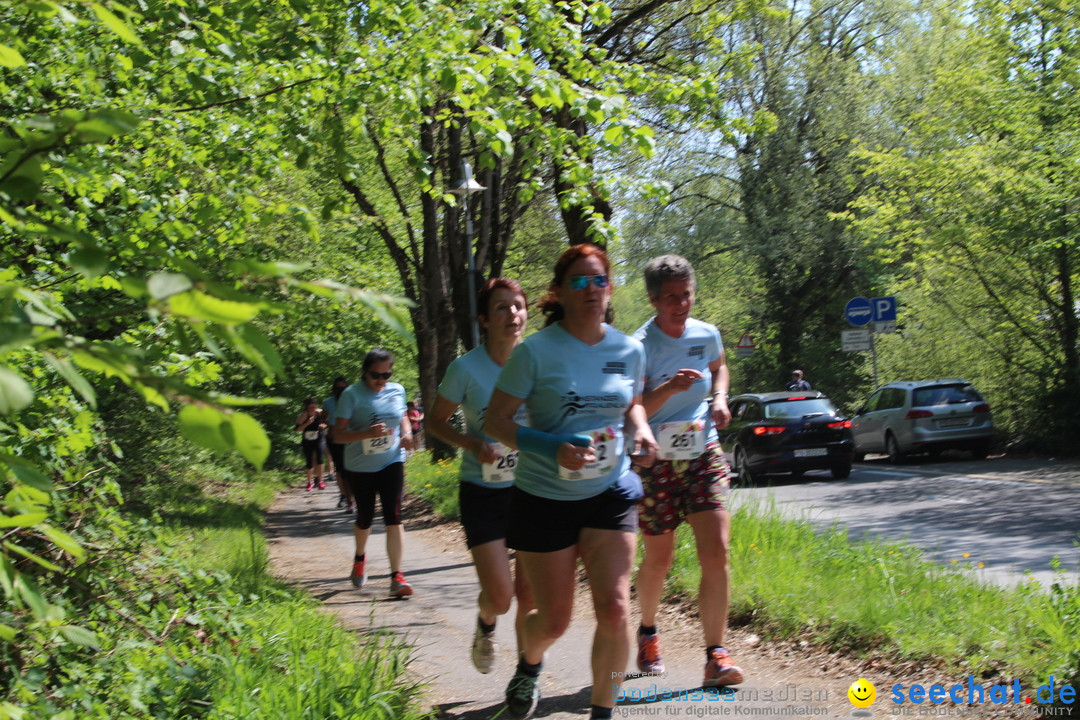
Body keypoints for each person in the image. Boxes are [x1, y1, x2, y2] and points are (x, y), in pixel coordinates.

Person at [484, 244, 658, 720]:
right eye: (578, 282)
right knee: (554, 620)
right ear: (558, 293)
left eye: (598, 280)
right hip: (545, 497)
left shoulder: (629, 349)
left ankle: (604, 711)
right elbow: (496, 421)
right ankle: (530, 662)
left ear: (610, 287)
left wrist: (641, 429)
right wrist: (550, 447)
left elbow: (633, 402)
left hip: (610, 490)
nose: (590, 290)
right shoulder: (536, 353)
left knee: (616, 609)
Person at [631, 254, 744, 689]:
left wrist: (719, 397)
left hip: (703, 450)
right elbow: (633, 408)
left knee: (716, 550)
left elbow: (719, 368)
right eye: (672, 297)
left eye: (688, 294)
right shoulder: (638, 345)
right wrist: (670, 388)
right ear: (654, 299)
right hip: (656, 458)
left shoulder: (707, 333)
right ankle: (648, 631)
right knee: (659, 558)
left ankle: (716, 654)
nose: (682, 304)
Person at [427, 277, 535, 675]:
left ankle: (527, 677)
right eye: (501, 307)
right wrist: (472, 444)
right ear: (485, 320)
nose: (512, 314)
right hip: (483, 490)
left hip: (533, 489)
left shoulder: (539, 361)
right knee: (502, 597)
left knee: (530, 595)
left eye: (518, 306)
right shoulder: (466, 368)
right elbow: (436, 423)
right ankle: (485, 625)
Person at [332, 349, 415, 598]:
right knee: (365, 516)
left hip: (391, 460)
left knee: (394, 516)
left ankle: (397, 576)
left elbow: (402, 417)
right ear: (365, 372)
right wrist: (366, 434)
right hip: (360, 464)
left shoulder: (397, 390)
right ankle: (359, 558)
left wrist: (408, 433)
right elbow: (338, 434)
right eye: (375, 375)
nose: (381, 380)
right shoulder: (351, 395)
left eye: (386, 374)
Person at [323, 376, 354, 511]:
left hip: (351, 438)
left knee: (352, 469)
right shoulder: (328, 402)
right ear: (333, 389)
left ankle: (353, 496)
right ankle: (344, 496)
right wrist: (327, 426)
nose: (340, 390)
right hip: (335, 439)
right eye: (337, 388)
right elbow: (323, 418)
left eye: (343, 388)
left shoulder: (353, 400)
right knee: (340, 470)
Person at [295, 398, 327, 492]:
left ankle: (321, 481)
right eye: (309, 408)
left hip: (319, 437)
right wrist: (307, 423)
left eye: (313, 407)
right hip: (307, 440)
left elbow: (327, 421)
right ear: (306, 408)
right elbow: (297, 429)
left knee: (320, 458)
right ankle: (310, 482)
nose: (312, 409)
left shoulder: (320, 412)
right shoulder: (303, 416)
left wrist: (324, 425)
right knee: (309, 461)